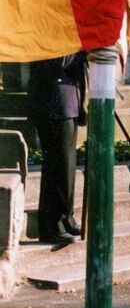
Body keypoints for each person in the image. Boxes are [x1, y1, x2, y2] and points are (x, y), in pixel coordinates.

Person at [28, 53, 86, 244]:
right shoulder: (50, 28)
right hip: (54, 99)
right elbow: (59, 60)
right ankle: (53, 225)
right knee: (59, 164)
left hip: (67, 101)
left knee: (66, 164)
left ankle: (65, 218)